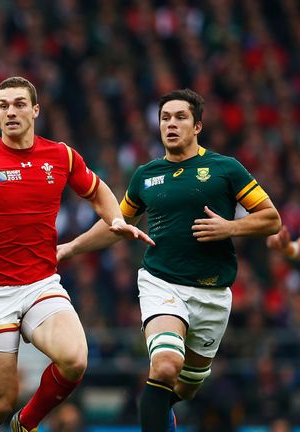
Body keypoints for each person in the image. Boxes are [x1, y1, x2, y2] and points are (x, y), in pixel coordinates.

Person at [57, 89, 281, 431]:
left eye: (180, 117)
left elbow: (271, 218)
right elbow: (117, 223)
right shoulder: (146, 175)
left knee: (183, 388)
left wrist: (229, 227)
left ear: (197, 126)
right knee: (163, 366)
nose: (171, 124)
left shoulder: (225, 169)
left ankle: (159, 409)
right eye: (165, 118)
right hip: (162, 283)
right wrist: (69, 248)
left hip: (213, 294)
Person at [0, 76, 152, 432]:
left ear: (35, 110)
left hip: (41, 283)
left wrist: (115, 218)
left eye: (19, 104)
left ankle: (25, 424)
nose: (11, 112)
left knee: (74, 359)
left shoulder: (60, 155)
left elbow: (99, 191)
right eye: (4, 106)